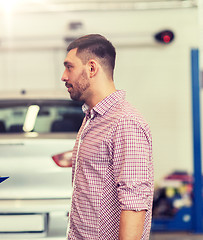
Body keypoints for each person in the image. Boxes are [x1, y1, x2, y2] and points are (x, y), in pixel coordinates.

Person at [61, 34, 153, 240]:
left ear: (92, 68)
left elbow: (134, 204)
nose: (64, 76)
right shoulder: (92, 118)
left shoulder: (125, 122)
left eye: (69, 67)